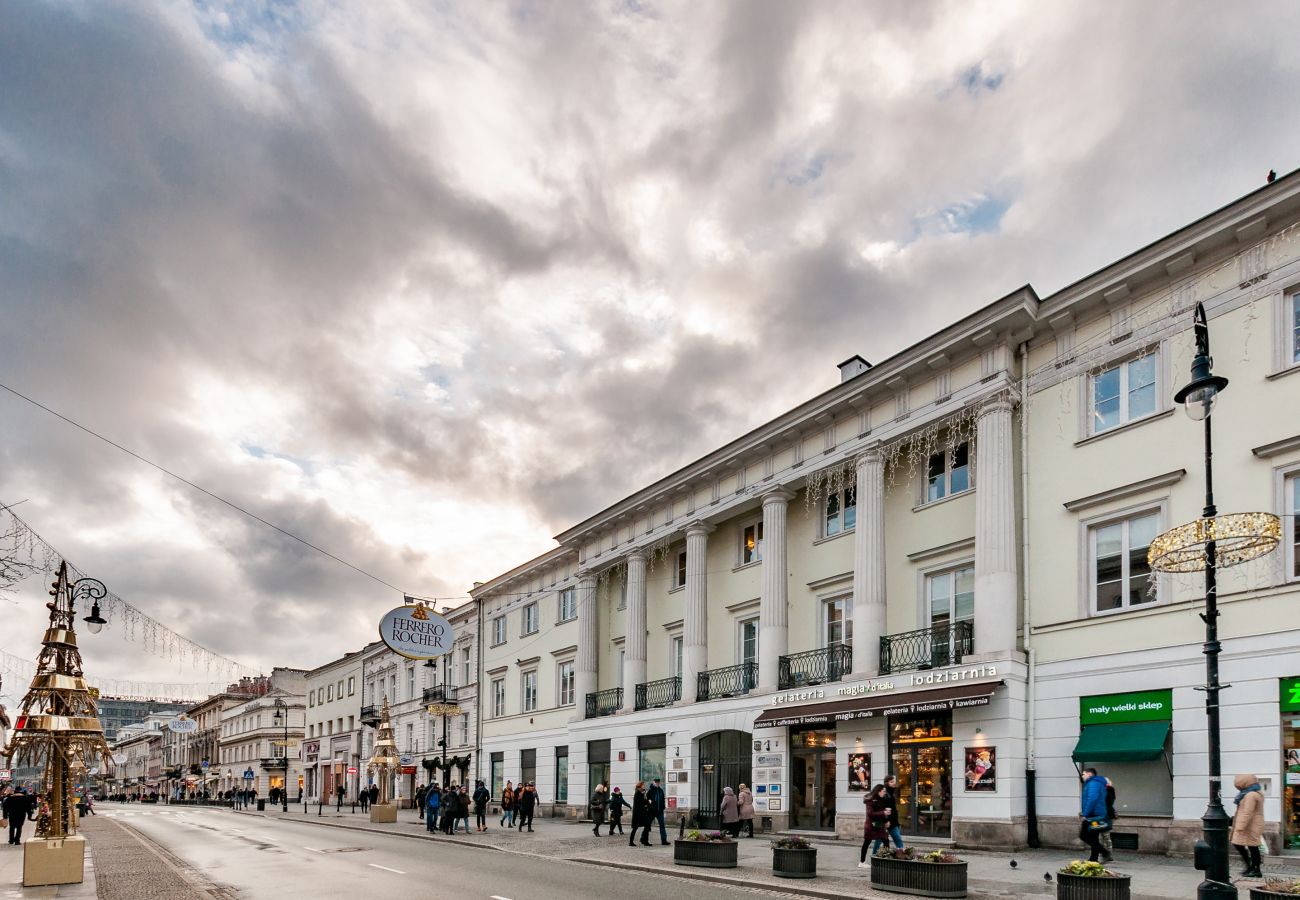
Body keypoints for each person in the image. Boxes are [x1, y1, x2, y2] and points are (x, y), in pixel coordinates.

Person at [1231, 773, 1264, 878]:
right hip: (1250, 824)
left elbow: (1247, 812)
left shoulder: (1250, 795)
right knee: (1244, 845)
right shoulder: (1250, 793)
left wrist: (1240, 826)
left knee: (1252, 847)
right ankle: (1251, 867)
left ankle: (1255, 869)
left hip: (1250, 825)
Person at [1078, 768, 1109, 863]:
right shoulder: (1097, 783)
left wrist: (1085, 814)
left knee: (1084, 835)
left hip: (1093, 815)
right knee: (1094, 836)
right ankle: (1094, 859)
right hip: (1098, 814)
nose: (1082, 776)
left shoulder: (1093, 783)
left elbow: (1092, 799)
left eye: (1083, 774)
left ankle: (1104, 851)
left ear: (1090, 774)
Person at [858, 784, 891, 866]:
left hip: (879, 825)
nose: (884, 793)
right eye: (883, 791)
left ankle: (885, 860)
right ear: (878, 791)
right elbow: (870, 813)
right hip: (871, 826)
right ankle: (862, 862)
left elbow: (881, 812)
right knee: (867, 842)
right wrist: (883, 812)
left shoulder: (881, 799)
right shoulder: (870, 800)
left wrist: (886, 820)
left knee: (886, 840)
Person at [1098, 777, 1117, 862]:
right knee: (1100, 836)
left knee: (1105, 835)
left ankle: (1108, 854)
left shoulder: (1110, 790)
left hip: (1106, 816)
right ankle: (1104, 853)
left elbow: (1109, 802)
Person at [883, 775, 905, 849]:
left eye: (894, 782)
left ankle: (900, 853)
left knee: (896, 839)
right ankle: (901, 853)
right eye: (891, 782)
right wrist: (886, 820)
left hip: (893, 820)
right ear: (887, 783)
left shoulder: (892, 793)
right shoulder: (886, 794)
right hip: (889, 821)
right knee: (897, 839)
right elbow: (884, 809)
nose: (894, 783)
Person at [646, 777, 669, 845]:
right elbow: (647, 801)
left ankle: (664, 840)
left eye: (658, 782)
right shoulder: (650, 790)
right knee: (647, 825)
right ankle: (643, 838)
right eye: (656, 782)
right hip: (652, 811)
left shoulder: (661, 790)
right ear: (653, 782)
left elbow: (662, 800)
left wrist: (663, 807)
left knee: (662, 826)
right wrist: (651, 808)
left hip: (660, 812)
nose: (657, 783)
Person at [628, 781, 651, 847]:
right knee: (635, 828)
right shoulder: (638, 793)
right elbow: (642, 802)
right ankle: (631, 842)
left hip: (642, 813)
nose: (644, 786)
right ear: (640, 786)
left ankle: (645, 841)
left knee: (647, 826)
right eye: (643, 785)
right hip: (638, 814)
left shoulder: (641, 792)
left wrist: (646, 801)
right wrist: (648, 802)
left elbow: (643, 801)